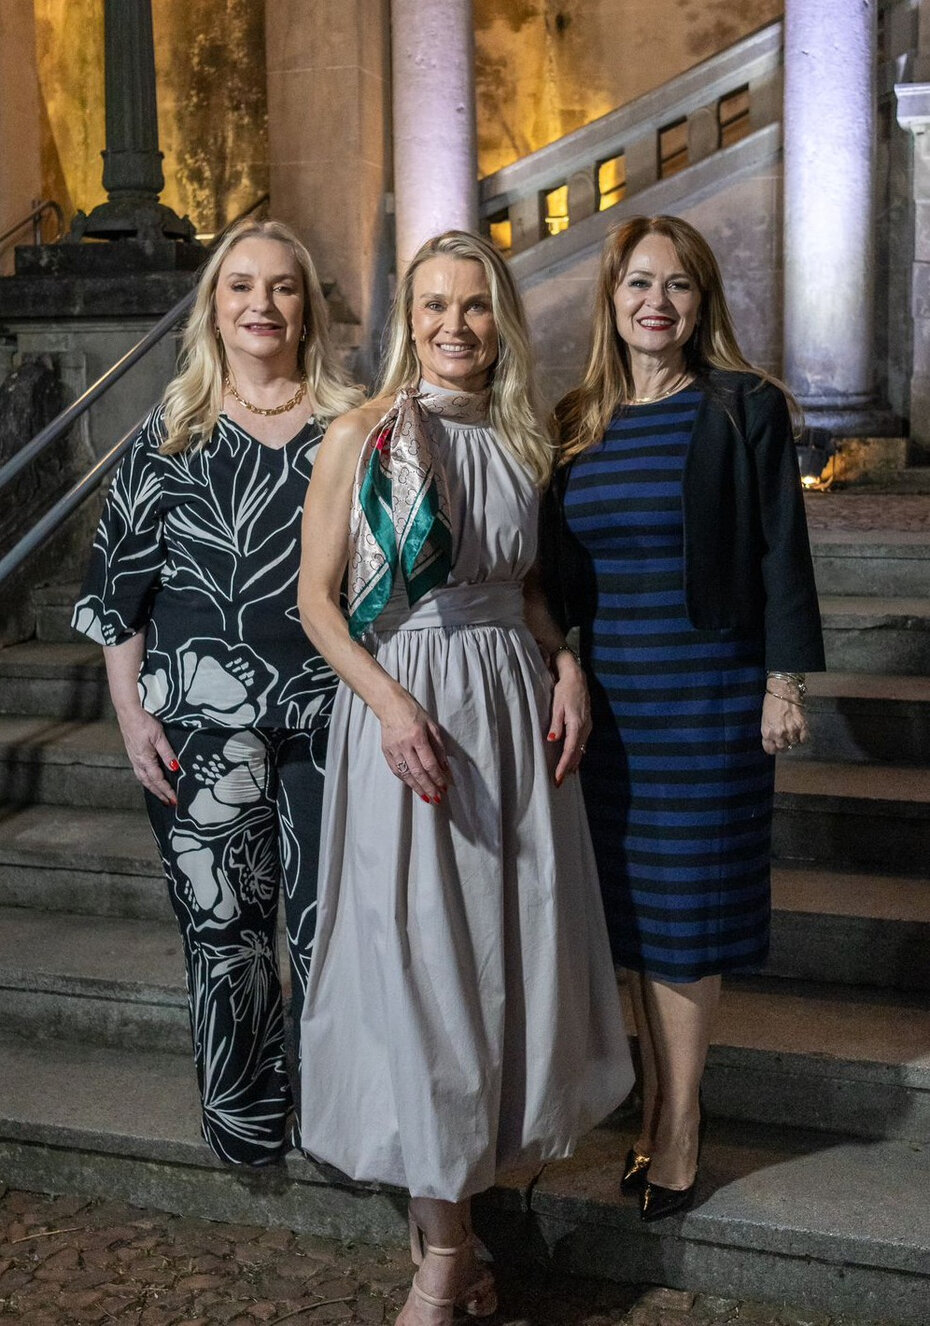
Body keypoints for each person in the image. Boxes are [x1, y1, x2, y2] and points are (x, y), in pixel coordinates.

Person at [297, 230, 633, 1324]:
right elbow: (316, 603)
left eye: (475, 306)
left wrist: (566, 661)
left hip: (506, 703)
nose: (455, 325)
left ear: (502, 322)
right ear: (410, 318)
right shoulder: (362, 433)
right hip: (407, 709)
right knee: (420, 962)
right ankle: (444, 1258)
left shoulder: (522, 438)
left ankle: (450, 1223)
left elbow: (527, 587)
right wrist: (390, 707)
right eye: (435, 306)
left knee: (494, 958)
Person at [546, 214, 824, 1222]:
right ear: (612, 303)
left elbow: (779, 551)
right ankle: (656, 1102)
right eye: (639, 285)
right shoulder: (578, 418)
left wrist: (783, 682)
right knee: (633, 916)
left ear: (702, 303)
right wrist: (559, 663)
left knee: (684, 917)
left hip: (708, 695)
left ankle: (683, 1124)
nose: (657, 302)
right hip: (614, 705)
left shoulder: (741, 407)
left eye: (678, 286)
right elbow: (555, 576)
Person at [72, 217, 363, 1166]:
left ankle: (340, 1121)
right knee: (224, 931)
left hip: (331, 717)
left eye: (282, 287)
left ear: (306, 307)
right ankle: (244, 1123)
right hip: (199, 723)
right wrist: (129, 712)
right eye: (241, 286)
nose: (262, 305)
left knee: (330, 930)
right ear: (214, 306)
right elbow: (119, 585)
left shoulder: (351, 429)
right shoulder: (168, 432)